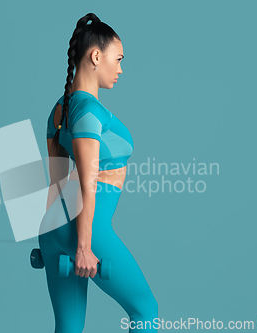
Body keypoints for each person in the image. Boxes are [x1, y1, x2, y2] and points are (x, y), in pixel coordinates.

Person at [38, 13, 158, 332]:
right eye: (117, 59)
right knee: (146, 310)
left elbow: (55, 180)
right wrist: (83, 247)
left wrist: (50, 242)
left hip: (52, 227)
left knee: (69, 325)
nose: (120, 69)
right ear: (96, 56)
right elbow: (87, 181)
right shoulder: (90, 112)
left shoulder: (59, 109)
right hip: (87, 228)